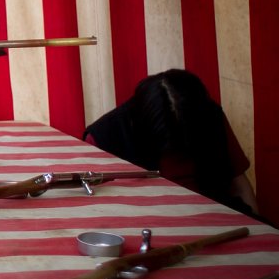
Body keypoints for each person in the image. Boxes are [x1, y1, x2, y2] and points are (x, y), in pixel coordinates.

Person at [84, 68, 261, 218]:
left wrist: (258, 232)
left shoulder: (209, 116)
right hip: (144, 223)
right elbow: (97, 211)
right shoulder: (104, 136)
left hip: (219, 219)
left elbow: (240, 186)